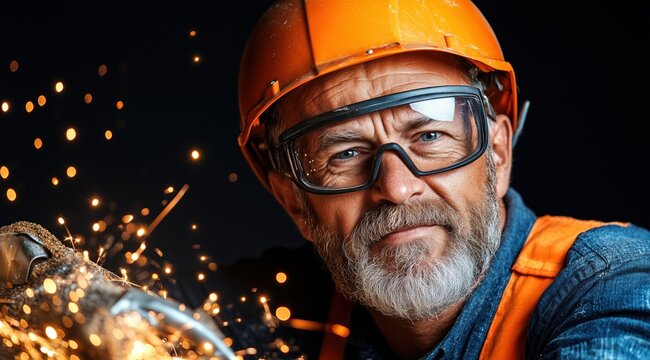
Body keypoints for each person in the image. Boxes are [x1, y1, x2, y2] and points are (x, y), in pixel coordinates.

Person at [220, 0, 650, 358]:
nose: (397, 187)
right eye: (346, 153)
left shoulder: (615, 282)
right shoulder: (272, 306)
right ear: (295, 202)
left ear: (497, 154)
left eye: (429, 135)